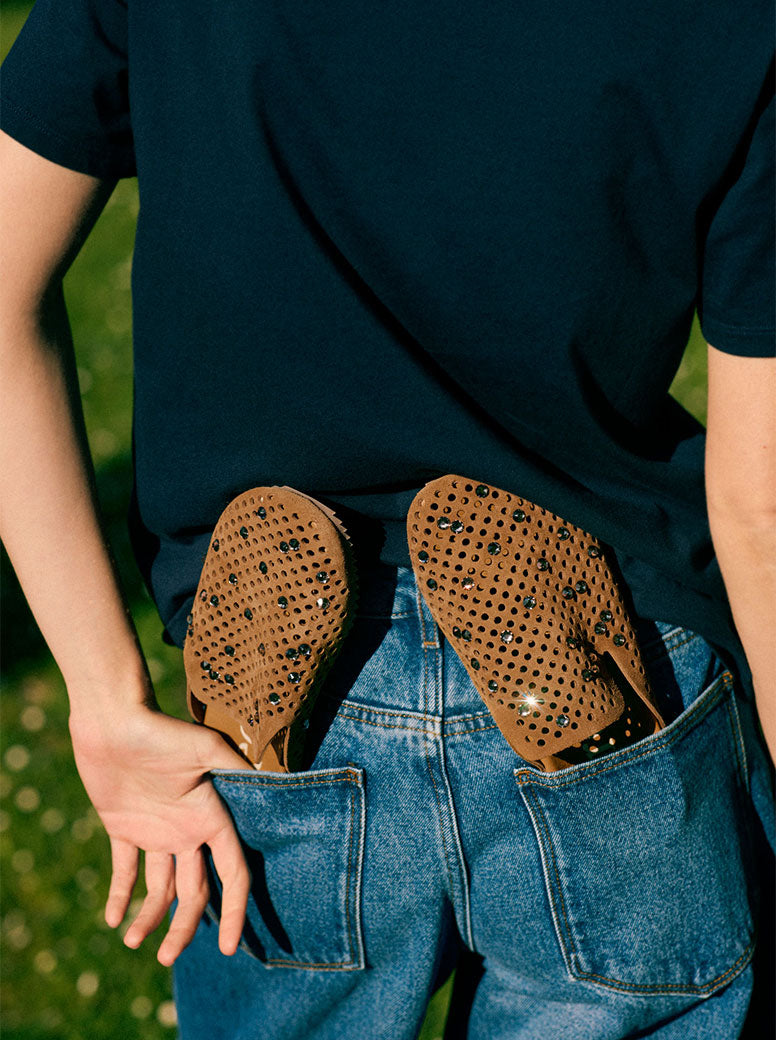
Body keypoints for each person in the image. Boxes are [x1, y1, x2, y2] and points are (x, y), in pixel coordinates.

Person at [0, 0, 773, 1035]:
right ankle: (577, 709)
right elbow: (758, 500)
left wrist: (102, 698)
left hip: (274, 718)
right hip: (613, 615)